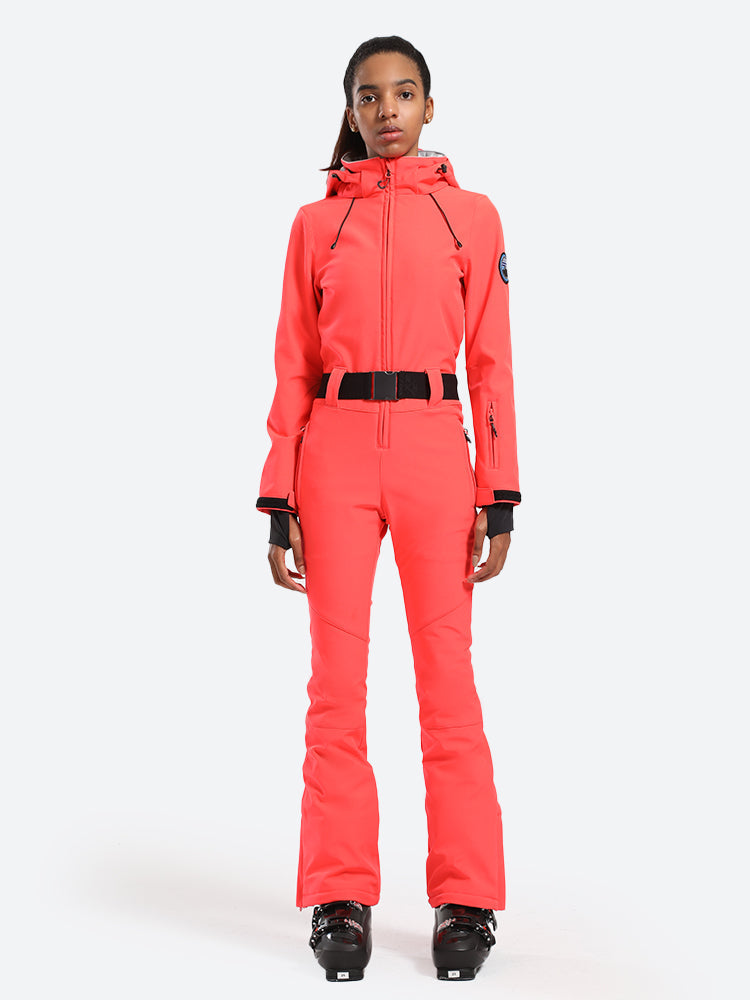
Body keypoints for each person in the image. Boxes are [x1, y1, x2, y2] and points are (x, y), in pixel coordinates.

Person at [256, 35, 521, 982]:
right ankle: (340, 894)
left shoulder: (471, 217)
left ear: (429, 106)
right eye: (370, 97)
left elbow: (491, 361)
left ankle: (467, 898)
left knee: (447, 686)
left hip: (434, 451)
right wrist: (279, 491)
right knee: (336, 689)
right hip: (332, 455)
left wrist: (499, 491)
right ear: (352, 111)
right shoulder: (315, 225)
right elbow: (294, 363)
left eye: (405, 93)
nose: (388, 110)